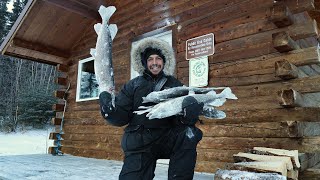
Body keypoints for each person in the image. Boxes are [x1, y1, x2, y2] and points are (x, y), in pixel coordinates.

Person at [99, 37, 204, 180]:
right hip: (139, 140)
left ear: (164, 60)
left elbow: (179, 121)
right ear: (144, 62)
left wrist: (189, 116)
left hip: (165, 139)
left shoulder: (174, 85)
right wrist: (110, 112)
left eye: (158, 58)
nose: (154, 63)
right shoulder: (133, 85)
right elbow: (121, 118)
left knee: (189, 133)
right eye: (150, 59)